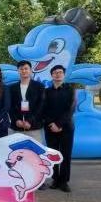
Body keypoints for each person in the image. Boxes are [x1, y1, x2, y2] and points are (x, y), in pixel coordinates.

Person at [43, 65, 76, 193]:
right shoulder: (46, 91)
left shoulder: (70, 90)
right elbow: (43, 109)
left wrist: (59, 124)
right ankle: (55, 179)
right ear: (52, 75)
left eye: (60, 72)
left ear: (64, 74)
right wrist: (51, 124)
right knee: (53, 154)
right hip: (50, 128)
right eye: (55, 72)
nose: (58, 74)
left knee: (66, 154)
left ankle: (64, 181)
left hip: (66, 127)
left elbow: (71, 109)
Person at [9, 60, 45, 142]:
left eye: (26, 68)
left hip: (34, 127)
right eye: (21, 69)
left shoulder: (39, 86)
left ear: (31, 70)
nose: (24, 71)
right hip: (17, 127)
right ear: (18, 71)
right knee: (18, 149)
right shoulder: (12, 88)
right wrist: (16, 120)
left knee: (35, 149)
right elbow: (10, 106)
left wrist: (29, 121)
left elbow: (41, 106)